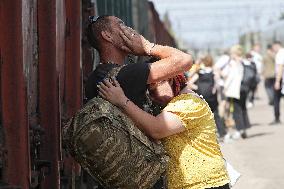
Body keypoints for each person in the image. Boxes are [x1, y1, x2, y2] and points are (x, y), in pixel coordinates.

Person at [84, 15, 193, 188]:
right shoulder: (124, 75)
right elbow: (184, 61)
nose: (129, 29)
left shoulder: (98, 76)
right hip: (143, 177)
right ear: (107, 36)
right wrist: (147, 47)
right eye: (121, 24)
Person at [98, 75, 230, 189]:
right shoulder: (175, 104)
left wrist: (122, 101)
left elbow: (156, 129)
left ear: (169, 80)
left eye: (154, 91)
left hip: (205, 183)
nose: (153, 97)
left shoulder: (188, 103)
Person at [222, 45, 250, 139]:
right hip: (244, 88)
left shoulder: (233, 63)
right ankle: (244, 128)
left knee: (236, 110)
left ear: (233, 53)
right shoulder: (245, 61)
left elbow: (230, 76)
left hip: (234, 90)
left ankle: (239, 129)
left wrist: (225, 87)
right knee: (243, 108)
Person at [270, 41, 284, 125]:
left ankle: (277, 118)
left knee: (276, 99)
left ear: (276, 45)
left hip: (281, 79)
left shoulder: (280, 54)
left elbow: (280, 67)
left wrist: (277, 81)